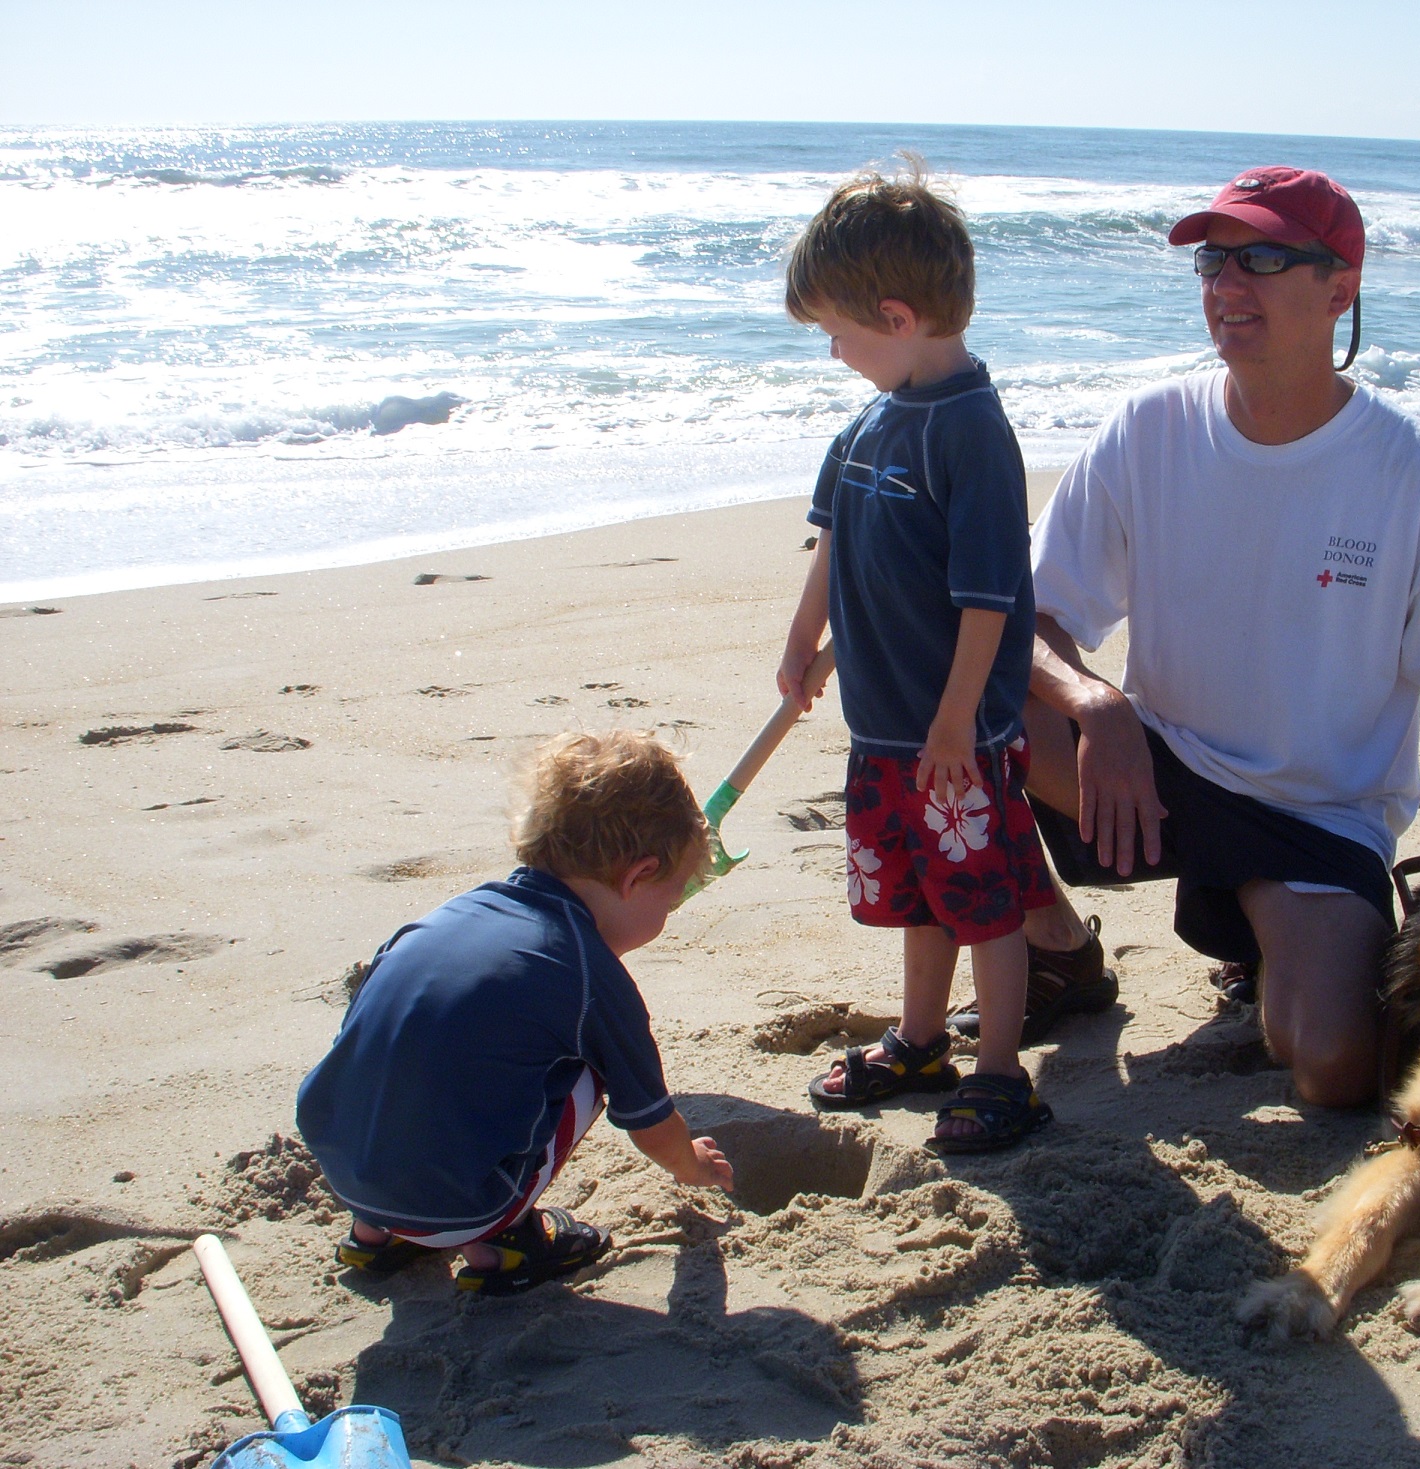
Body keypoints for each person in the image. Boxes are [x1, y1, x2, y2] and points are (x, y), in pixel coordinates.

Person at [1007, 166, 1420, 1109]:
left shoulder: (1418, 475)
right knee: (965, 688)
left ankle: (1264, 928)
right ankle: (1056, 948)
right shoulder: (1148, 427)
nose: (1225, 284)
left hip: (1316, 820)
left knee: (1332, 1066)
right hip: (1157, 778)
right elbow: (1028, 617)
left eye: (1261, 258)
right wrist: (1096, 703)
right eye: (1213, 261)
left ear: (1339, 288)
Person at [778, 163, 1066, 1151]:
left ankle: (1001, 1071)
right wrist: (807, 644)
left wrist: (955, 722)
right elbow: (835, 542)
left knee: (984, 902)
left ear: (896, 318)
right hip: (883, 724)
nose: (833, 350)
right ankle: (920, 1038)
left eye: (838, 332)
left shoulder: (971, 433)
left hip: (955, 735)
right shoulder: (869, 422)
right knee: (919, 894)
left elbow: (988, 597)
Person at [296, 730, 734, 1295]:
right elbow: (649, 1123)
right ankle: (501, 1241)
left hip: (344, 1169)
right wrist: (692, 1165)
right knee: (592, 1061)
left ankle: (375, 1235)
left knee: (425, 1053)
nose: (666, 917)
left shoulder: (447, 917)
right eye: (669, 901)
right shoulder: (589, 971)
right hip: (462, 1206)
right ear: (636, 877)